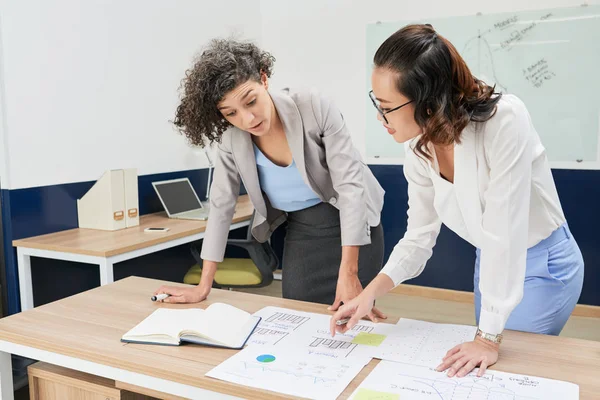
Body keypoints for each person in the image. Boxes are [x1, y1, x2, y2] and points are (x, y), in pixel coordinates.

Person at [331, 24, 584, 377]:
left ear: (428, 101)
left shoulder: (504, 121)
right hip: (491, 263)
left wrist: (488, 338)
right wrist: (369, 293)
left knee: (504, 372)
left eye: (386, 107)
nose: (379, 117)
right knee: (478, 368)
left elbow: (504, 234)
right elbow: (419, 238)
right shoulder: (417, 145)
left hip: (542, 265)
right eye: (376, 103)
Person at [154, 39, 387, 321]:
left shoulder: (313, 107)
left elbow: (351, 189)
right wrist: (204, 286)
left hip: (354, 224)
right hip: (304, 230)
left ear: (264, 79)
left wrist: (349, 271)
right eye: (231, 113)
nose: (247, 118)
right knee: (299, 317)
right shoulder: (231, 141)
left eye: (250, 101)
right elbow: (221, 206)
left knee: (351, 318)